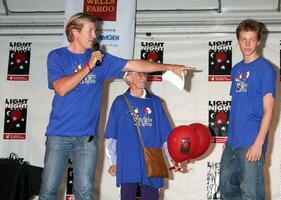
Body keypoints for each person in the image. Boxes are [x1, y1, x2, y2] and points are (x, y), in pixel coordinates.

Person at [39, 12, 190, 200]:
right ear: (74, 31)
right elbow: (61, 88)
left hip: (87, 137)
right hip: (59, 133)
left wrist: (169, 67)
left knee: (85, 191)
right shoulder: (57, 56)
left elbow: (134, 64)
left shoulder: (102, 60)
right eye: (91, 30)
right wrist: (89, 66)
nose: (95, 35)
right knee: (48, 190)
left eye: (95, 30)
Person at [219, 19, 276, 200]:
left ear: (259, 41)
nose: (248, 44)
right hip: (233, 142)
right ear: (238, 41)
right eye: (244, 39)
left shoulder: (266, 69)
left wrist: (259, 143)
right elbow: (237, 106)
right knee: (227, 189)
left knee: (252, 194)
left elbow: (269, 109)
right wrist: (229, 138)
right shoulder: (236, 70)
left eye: (252, 39)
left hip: (252, 140)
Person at [105, 71, 178, 200]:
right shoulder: (120, 102)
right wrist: (114, 162)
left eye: (144, 74)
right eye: (138, 74)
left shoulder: (155, 102)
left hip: (152, 159)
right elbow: (112, 136)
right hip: (127, 161)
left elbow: (166, 134)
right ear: (128, 78)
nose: (142, 77)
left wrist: (173, 157)